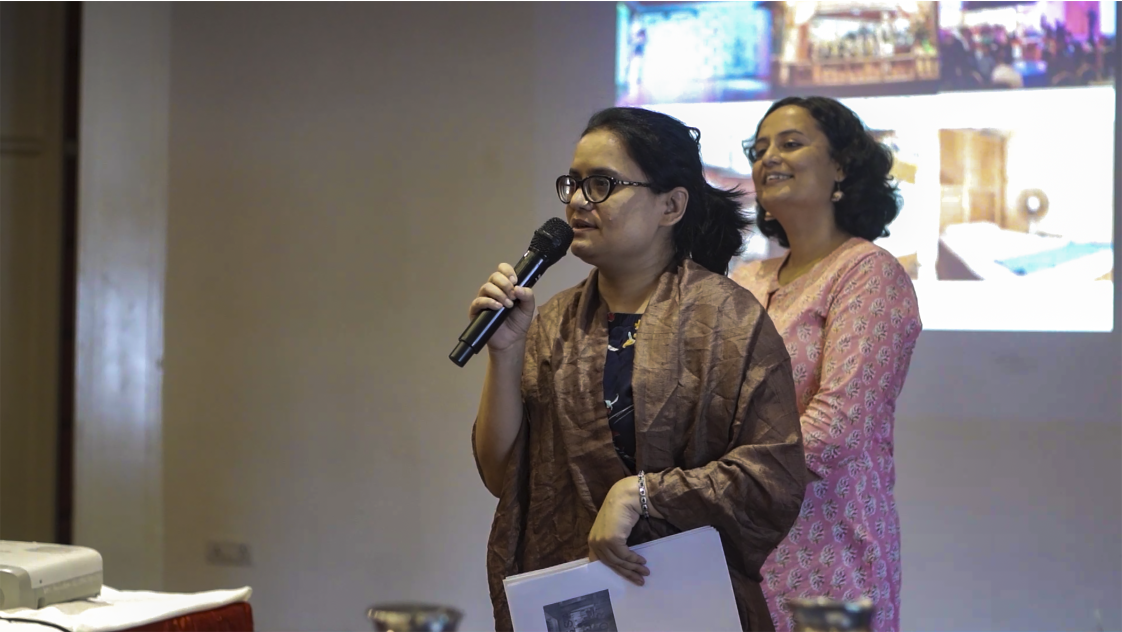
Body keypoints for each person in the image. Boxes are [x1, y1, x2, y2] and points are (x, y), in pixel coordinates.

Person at [469, 107, 813, 632]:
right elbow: (503, 478)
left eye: (603, 183)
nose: (580, 201)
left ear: (671, 205)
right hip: (577, 599)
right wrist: (505, 351)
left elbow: (774, 478)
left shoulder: (727, 319)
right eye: (574, 183)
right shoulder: (553, 320)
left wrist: (643, 495)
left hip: (688, 605)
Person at [732, 96, 922, 632]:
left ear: (841, 166)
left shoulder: (868, 273)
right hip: (738, 556)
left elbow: (836, 428)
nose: (769, 157)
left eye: (791, 144)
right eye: (760, 148)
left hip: (831, 561)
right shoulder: (745, 280)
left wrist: (715, 481)